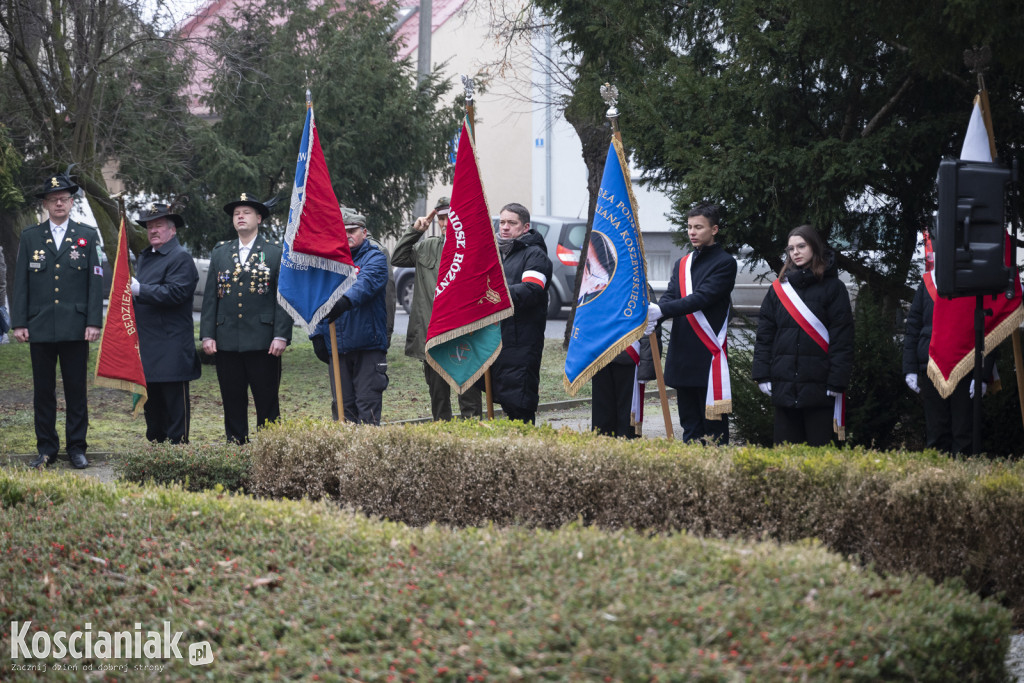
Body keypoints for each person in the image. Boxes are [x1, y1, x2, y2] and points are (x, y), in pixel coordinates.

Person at [11, 171, 103, 468]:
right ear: (46, 204)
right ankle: (47, 448)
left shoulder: (87, 235)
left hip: (76, 327)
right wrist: (19, 322)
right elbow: (20, 283)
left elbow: (95, 282)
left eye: (64, 198)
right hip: (39, 326)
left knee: (76, 391)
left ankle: (77, 447)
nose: (59, 204)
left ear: (71, 202)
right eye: (53, 200)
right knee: (43, 392)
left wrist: (93, 321)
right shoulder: (30, 237)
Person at [200, 193, 292, 443]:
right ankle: (236, 446)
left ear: (259, 218)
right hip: (227, 339)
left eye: (246, 212)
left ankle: (269, 450)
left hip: (264, 341)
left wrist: (281, 334)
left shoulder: (274, 253)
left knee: (267, 401)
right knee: (232, 399)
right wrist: (208, 333)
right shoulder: (221, 253)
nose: (240, 216)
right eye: (236, 213)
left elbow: (283, 297)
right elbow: (211, 297)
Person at [752, 224, 854, 446]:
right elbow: (765, 336)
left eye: (801, 246)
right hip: (784, 386)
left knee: (820, 459)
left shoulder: (834, 288)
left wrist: (837, 380)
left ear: (815, 248)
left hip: (821, 388)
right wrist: (762, 374)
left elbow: (842, 339)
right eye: (790, 248)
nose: (795, 252)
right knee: (785, 460)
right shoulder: (779, 289)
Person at [647, 204, 737, 443]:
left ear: (714, 229)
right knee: (690, 429)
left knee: (713, 433)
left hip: (708, 358)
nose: (692, 232)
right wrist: (655, 318)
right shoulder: (682, 263)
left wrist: (662, 310)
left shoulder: (725, 263)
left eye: (699, 227)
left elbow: (701, 298)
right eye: (689, 227)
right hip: (683, 354)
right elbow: (671, 295)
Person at [392, 196, 482, 420]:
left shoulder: (473, 248)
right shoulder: (428, 246)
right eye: (441, 219)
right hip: (433, 335)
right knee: (439, 400)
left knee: (469, 399)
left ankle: (473, 446)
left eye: (449, 218)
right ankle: (444, 446)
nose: (444, 224)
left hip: (464, 335)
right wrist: (416, 230)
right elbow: (398, 257)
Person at [310, 208, 390, 424]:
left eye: (352, 230)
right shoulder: (328, 262)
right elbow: (318, 300)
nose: (347, 235)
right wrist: (317, 334)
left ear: (364, 232)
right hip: (338, 349)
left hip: (368, 348)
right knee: (343, 414)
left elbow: (365, 284)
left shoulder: (375, 258)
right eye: (342, 231)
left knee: (368, 412)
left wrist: (343, 302)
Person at [131, 201, 201, 443]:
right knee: (154, 410)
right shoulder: (146, 257)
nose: (153, 231)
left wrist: (140, 290)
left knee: (174, 412)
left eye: (158, 225)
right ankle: (156, 454)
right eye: (149, 227)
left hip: (171, 346)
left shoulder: (180, 257)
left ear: (172, 230)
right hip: (148, 346)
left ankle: (178, 457)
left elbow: (175, 293)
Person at [489, 202, 552, 424]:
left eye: (512, 223)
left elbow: (532, 290)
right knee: (505, 400)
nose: (505, 227)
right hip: (498, 339)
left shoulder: (535, 255)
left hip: (522, 343)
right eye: (502, 222)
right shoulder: (495, 252)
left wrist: (494, 294)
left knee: (520, 404)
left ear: (525, 227)